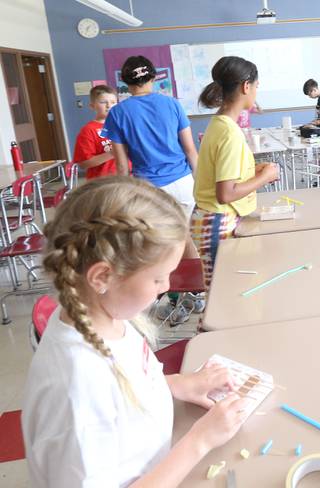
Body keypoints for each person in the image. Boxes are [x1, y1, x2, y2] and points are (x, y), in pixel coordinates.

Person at [22, 176, 250, 487]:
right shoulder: (77, 389)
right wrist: (200, 440)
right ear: (103, 276)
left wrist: (180, 384)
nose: (167, 287)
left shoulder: (105, 317)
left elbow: (125, 388)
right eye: (158, 279)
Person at [103, 55, 202, 322]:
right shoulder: (172, 104)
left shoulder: (117, 113)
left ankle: (174, 300)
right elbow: (191, 150)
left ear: (124, 83)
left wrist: (123, 198)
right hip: (182, 183)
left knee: (159, 246)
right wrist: (202, 185)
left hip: (149, 189)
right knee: (184, 236)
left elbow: (122, 166)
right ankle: (198, 293)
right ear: (153, 77)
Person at [193, 56, 280, 289]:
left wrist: (252, 170)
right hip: (216, 220)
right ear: (246, 86)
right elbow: (226, 193)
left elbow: (223, 173)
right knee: (220, 295)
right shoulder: (230, 133)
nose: (256, 92)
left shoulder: (220, 123)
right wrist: (264, 177)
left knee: (224, 291)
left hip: (212, 218)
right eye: (256, 87)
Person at [72, 85, 130, 179]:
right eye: (103, 102)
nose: (109, 106)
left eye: (113, 102)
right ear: (92, 106)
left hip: (127, 178)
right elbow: (83, 164)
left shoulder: (123, 125)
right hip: (102, 182)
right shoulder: (88, 130)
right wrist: (113, 152)